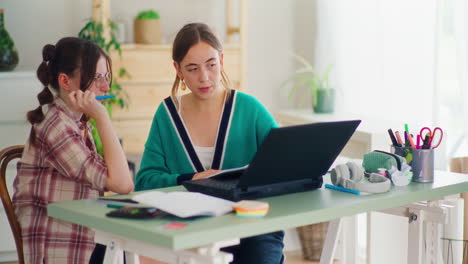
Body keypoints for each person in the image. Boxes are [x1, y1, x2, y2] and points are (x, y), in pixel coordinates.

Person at [135, 23, 284, 264]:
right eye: (192, 68)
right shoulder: (167, 115)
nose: (204, 77)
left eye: (211, 65)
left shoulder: (250, 108)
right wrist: (191, 179)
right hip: (193, 230)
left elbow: (284, 162)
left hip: (252, 228)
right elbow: (144, 181)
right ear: (178, 70)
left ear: (222, 61)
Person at [12, 37, 134, 264]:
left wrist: (96, 117)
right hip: (60, 244)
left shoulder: (77, 122)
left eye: (106, 77)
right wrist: (102, 116)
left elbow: (118, 181)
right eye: (97, 78)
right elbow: (122, 184)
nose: (106, 87)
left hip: (83, 234)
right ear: (65, 82)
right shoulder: (56, 126)